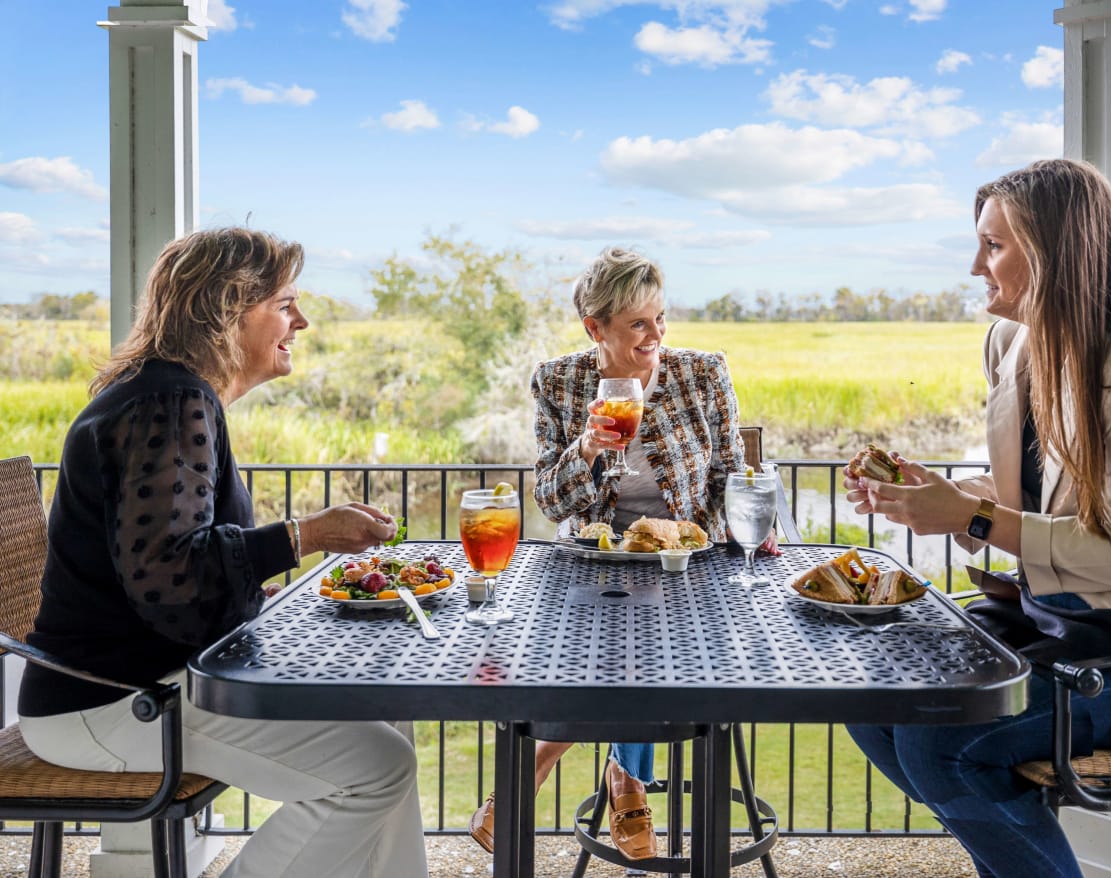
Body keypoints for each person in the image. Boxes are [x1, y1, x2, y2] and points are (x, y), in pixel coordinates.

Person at [842, 159, 1111, 878]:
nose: (976, 265)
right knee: (870, 697)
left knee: (945, 746)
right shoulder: (1013, 346)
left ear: (1061, 252)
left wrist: (970, 518)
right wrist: (933, 493)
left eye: (995, 245)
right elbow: (1034, 492)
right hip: (1060, 624)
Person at [17, 228, 429, 878]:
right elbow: (170, 576)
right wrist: (306, 536)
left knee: (385, 723)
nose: (303, 320)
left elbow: (174, 572)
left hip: (149, 683)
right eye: (285, 302)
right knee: (375, 770)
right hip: (112, 701)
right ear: (228, 309)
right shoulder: (170, 404)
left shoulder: (164, 395)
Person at [468, 246, 767, 861]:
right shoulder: (559, 381)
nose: (656, 334)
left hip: (686, 562)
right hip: (588, 561)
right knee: (614, 641)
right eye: (637, 323)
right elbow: (550, 501)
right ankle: (625, 780)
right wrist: (583, 449)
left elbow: (731, 477)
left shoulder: (703, 373)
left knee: (646, 636)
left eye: (660, 317)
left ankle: (547, 764)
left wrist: (714, 534)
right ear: (594, 329)